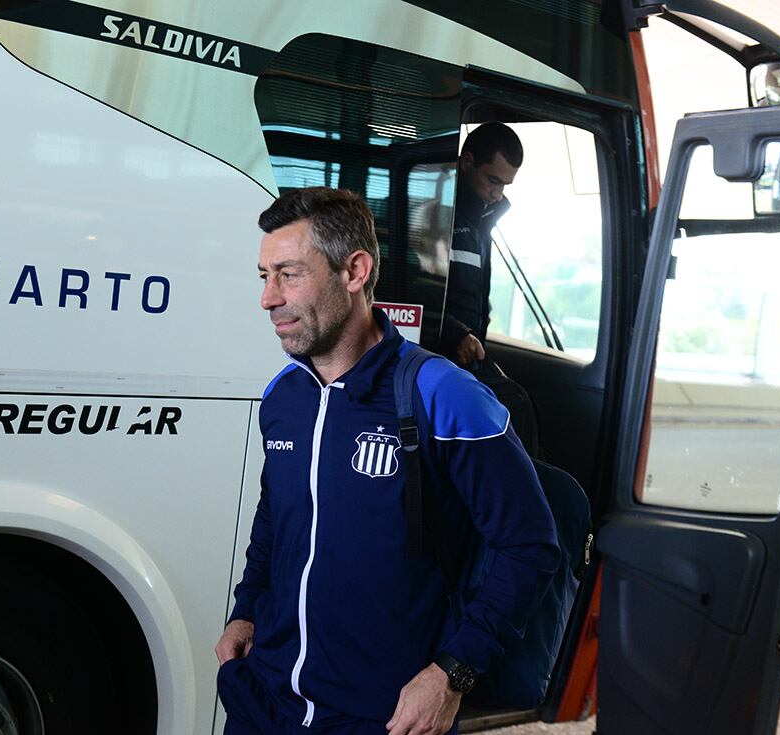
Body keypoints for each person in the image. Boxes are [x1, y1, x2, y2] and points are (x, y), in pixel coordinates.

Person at [215, 186, 560, 735]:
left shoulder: (441, 395)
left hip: (384, 715)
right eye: (264, 276)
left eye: (289, 273)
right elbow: (275, 516)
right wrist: (247, 606)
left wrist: (452, 673)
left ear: (354, 272)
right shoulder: (285, 397)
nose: (269, 298)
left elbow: (530, 545)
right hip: (267, 698)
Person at [440, 122, 523, 367]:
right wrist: (455, 334)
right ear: (467, 162)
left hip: (461, 360)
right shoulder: (433, 213)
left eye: (505, 185)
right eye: (493, 180)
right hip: (431, 359)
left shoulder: (481, 221)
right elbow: (410, 295)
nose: (498, 194)